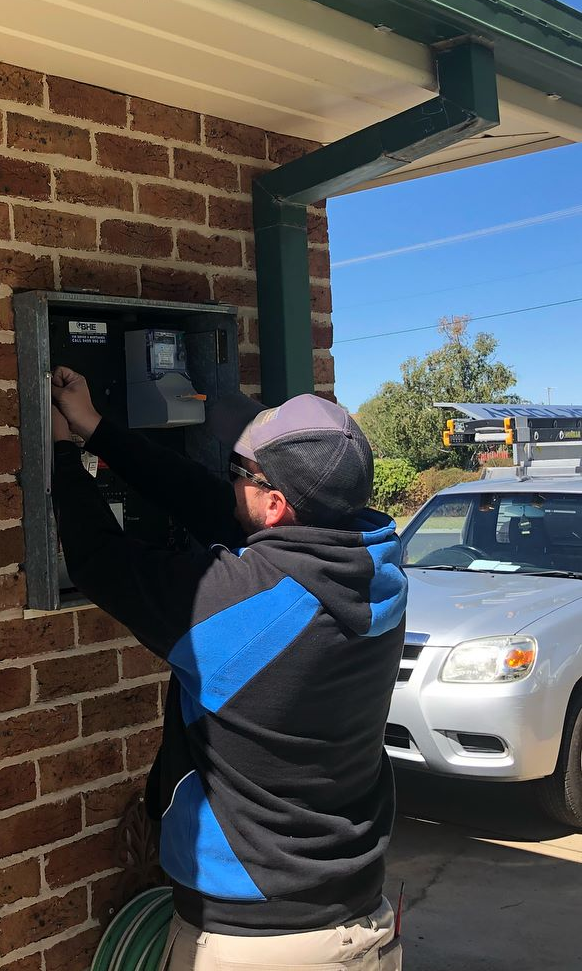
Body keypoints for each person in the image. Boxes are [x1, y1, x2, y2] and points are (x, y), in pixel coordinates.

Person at [50, 366, 406, 971]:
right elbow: (217, 509)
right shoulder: (381, 575)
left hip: (258, 939)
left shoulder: (235, 612)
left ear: (274, 504)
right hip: (360, 914)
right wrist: (96, 429)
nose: (227, 479)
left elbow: (99, 559)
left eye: (239, 471)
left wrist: (60, 450)